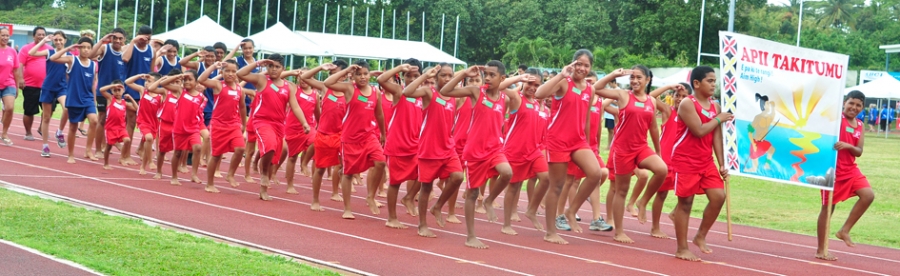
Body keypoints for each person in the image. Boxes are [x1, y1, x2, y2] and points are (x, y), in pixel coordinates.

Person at [440, 61, 515, 249]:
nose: (487, 78)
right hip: (475, 151)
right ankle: (470, 236)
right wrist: (464, 73)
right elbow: (445, 91)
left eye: (492, 75)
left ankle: (489, 200)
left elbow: (498, 123)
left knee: (507, 173)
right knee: (472, 194)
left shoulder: (504, 99)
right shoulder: (476, 92)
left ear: (502, 79)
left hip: (495, 149)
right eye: (486, 74)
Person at [591, 65, 668, 243]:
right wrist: (613, 74)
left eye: (639, 77)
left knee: (662, 169)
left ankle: (642, 202)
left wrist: (657, 150)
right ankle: (619, 231)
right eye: (632, 77)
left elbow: (653, 128)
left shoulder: (651, 101)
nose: (634, 81)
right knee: (621, 190)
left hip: (641, 147)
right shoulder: (623, 95)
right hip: (622, 150)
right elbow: (596, 89)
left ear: (648, 80)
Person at [533, 50, 603, 244]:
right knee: (557, 186)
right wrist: (561, 74)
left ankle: (571, 211)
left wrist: (590, 144)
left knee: (596, 173)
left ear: (590, 68)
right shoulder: (564, 82)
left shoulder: (591, 89)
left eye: (586, 65)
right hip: (558, 141)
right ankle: (550, 232)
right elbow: (539, 93)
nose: (581, 68)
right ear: (572, 64)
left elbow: (587, 119)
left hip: (579, 141)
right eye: (578, 63)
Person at [669, 66, 731, 261]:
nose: (714, 84)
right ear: (697, 83)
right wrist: (719, 119)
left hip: (706, 161)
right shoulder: (688, 103)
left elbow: (716, 136)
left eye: (715, 81)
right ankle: (681, 248)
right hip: (686, 160)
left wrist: (722, 164)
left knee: (718, 196)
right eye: (710, 81)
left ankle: (700, 235)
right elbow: (700, 130)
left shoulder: (715, 106)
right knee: (685, 203)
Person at [237, 54, 310, 200]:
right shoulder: (262, 80)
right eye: (271, 66)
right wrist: (258, 63)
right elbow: (241, 73)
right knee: (269, 146)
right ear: (267, 67)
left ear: (283, 69)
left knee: (276, 156)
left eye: (277, 67)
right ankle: (263, 174)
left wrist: (304, 123)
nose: (274, 69)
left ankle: (263, 190)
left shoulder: (289, 87)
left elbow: (295, 107)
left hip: (279, 125)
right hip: (262, 121)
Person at [403, 65, 464, 237]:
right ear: (436, 78)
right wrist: (424, 76)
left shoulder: (454, 97)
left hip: (448, 147)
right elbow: (407, 92)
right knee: (426, 187)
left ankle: (437, 206)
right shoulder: (429, 92)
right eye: (443, 75)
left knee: (458, 177)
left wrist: (464, 74)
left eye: (450, 76)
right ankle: (422, 225)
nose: (446, 78)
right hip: (429, 148)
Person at [815, 90, 874, 261]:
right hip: (831, 170)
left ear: (862, 108)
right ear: (844, 103)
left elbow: (859, 151)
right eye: (851, 103)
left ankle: (844, 230)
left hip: (850, 169)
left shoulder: (860, 125)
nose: (854, 108)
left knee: (868, 195)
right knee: (828, 208)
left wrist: (848, 146)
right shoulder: (835, 119)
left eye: (858, 105)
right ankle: (821, 250)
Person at [324, 60, 386, 218]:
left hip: (369, 136)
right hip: (350, 138)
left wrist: (383, 133)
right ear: (353, 75)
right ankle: (347, 209)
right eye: (359, 74)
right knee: (348, 173)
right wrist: (347, 70)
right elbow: (328, 82)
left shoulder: (375, 92)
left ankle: (370, 196)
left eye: (365, 74)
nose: (363, 77)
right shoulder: (349, 88)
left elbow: (379, 113)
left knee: (380, 162)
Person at [377, 60, 425, 228]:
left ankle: (409, 197)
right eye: (408, 76)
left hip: (416, 145)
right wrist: (398, 67)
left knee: (426, 173)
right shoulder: (399, 91)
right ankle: (392, 217)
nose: (412, 79)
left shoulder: (422, 95)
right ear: (403, 77)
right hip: (398, 145)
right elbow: (381, 80)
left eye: (416, 76)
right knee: (395, 182)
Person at [500, 69, 548, 234]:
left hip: (533, 151)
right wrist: (519, 78)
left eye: (537, 85)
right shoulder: (516, 98)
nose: (533, 88)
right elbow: (499, 87)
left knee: (546, 177)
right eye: (530, 83)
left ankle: (531, 210)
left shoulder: (536, 103)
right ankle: (506, 224)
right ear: (523, 83)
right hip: (515, 151)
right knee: (513, 187)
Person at [301, 60, 348, 210]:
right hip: (323, 134)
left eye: (336, 73)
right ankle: (315, 200)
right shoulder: (325, 87)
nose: (332, 76)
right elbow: (306, 77)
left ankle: (336, 192)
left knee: (341, 166)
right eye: (331, 73)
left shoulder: (349, 91)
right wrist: (321, 67)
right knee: (320, 168)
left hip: (341, 135)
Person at [198, 60, 247, 193]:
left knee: (241, 148)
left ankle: (230, 174)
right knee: (216, 155)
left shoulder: (239, 89)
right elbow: (201, 79)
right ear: (222, 72)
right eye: (227, 71)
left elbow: (242, 107)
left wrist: (244, 124)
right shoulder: (218, 85)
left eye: (233, 71)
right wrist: (214, 66)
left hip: (234, 125)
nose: (230, 74)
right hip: (219, 125)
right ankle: (209, 183)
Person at [649, 82, 691, 238]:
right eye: (677, 96)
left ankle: (674, 213)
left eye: (684, 96)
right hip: (666, 161)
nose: (679, 99)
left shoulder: (691, 116)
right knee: (661, 194)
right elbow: (650, 97)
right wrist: (667, 87)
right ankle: (655, 227)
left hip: (682, 161)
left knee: (689, 192)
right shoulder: (668, 111)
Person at [49, 37, 97, 163]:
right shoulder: (72, 60)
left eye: (88, 47)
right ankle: (70, 154)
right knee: (73, 127)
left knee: (94, 121)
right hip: (74, 99)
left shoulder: (93, 65)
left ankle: (88, 150)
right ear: (79, 48)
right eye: (83, 47)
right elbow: (53, 58)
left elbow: (93, 84)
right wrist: (68, 48)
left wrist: (94, 100)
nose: (86, 50)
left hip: (88, 99)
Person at [87, 28, 128, 160]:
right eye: (114, 38)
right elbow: (90, 55)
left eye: (120, 38)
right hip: (104, 91)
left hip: (119, 92)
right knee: (102, 118)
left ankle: (111, 142)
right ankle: (98, 149)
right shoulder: (105, 49)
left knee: (119, 119)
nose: (117, 40)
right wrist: (102, 41)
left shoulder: (126, 52)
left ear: (124, 40)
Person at [28, 31, 70, 157]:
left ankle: (60, 131)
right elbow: (31, 53)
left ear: (65, 40)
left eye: (60, 39)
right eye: (56, 40)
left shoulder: (69, 55)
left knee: (67, 108)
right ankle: (45, 146)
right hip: (48, 87)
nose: (58, 42)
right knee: (46, 117)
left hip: (62, 88)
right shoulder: (49, 52)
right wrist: (43, 41)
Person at [279, 68, 317, 195]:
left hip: (309, 127)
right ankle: (289, 184)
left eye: (306, 77)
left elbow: (318, 114)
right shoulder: (294, 89)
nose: (303, 80)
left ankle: (305, 164)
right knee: (292, 157)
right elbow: (278, 77)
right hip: (293, 128)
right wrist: (292, 72)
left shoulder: (315, 94)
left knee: (316, 141)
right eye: (301, 77)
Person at [148, 70, 184, 180]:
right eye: (174, 81)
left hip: (178, 125)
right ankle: (159, 171)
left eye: (178, 82)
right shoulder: (165, 91)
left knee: (178, 151)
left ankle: (175, 172)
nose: (176, 84)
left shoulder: (183, 93)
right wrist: (162, 79)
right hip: (165, 124)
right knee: (162, 150)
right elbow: (151, 89)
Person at [124, 72, 163, 174]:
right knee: (149, 139)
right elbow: (128, 82)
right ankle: (150, 161)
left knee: (148, 144)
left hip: (154, 124)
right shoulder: (143, 91)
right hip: (142, 121)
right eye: (146, 81)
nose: (146, 83)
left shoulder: (161, 96)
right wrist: (139, 76)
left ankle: (142, 167)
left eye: (149, 81)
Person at [18, 26, 49, 141]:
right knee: (29, 110)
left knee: (49, 109)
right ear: (33, 36)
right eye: (39, 34)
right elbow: (20, 64)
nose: (41, 36)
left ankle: (42, 128)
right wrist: (20, 79)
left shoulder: (49, 49)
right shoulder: (26, 48)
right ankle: (28, 132)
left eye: (43, 34)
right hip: (30, 85)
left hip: (46, 86)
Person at [98, 80, 138, 169]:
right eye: (114, 90)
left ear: (123, 90)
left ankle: (121, 158)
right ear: (111, 91)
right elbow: (101, 90)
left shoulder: (125, 103)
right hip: (110, 128)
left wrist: (131, 98)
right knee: (108, 147)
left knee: (127, 140)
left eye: (119, 90)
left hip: (121, 128)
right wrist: (113, 85)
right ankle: (106, 164)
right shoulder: (110, 99)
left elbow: (136, 108)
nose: (117, 92)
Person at [0, 26, 24, 146]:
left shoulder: (12, 51)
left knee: (9, 108)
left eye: (7, 35)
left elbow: (15, 70)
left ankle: (4, 133)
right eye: (2, 35)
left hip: (8, 83)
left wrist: (16, 85)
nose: (5, 38)